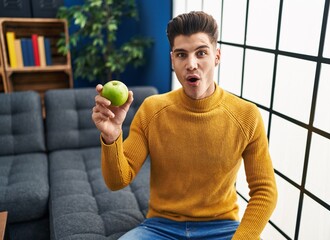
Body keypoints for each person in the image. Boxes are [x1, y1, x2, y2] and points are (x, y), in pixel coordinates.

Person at [92, 11, 277, 240]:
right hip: (159, 227)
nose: (191, 64)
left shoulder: (247, 116)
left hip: (223, 229)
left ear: (216, 56)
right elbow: (117, 181)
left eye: (201, 53)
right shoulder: (152, 109)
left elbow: (265, 191)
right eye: (182, 55)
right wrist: (112, 137)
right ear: (172, 60)